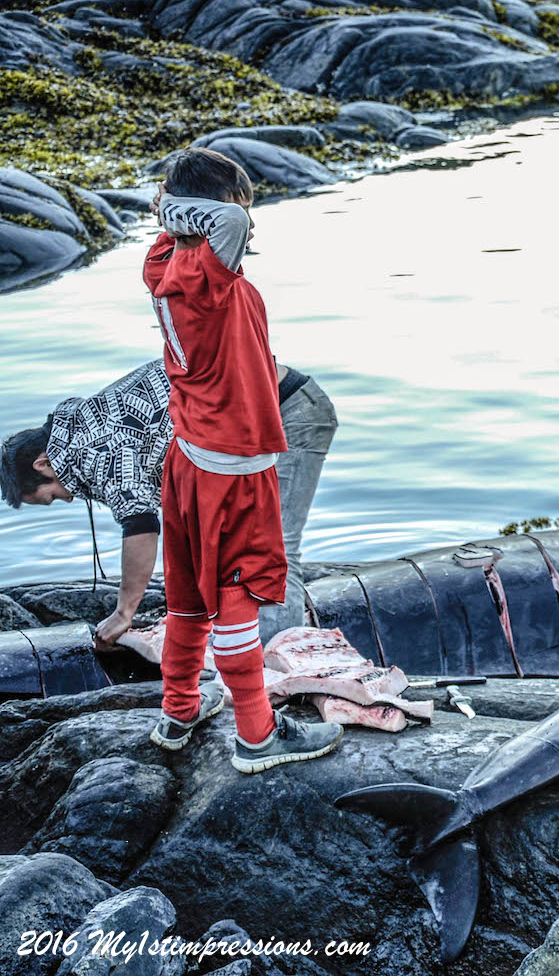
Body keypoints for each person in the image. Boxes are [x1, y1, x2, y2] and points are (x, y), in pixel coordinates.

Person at [140, 146, 341, 772]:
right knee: (237, 595)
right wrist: (195, 207)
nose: (249, 224)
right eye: (241, 205)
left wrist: (169, 214)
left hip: (190, 455)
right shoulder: (205, 271)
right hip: (232, 465)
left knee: (186, 593)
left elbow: (212, 227)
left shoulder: (164, 260)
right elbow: (230, 225)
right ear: (214, 207)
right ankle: (256, 734)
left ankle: (178, 712)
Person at [1, 360, 337, 647]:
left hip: (287, 412)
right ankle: (251, 643)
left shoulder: (94, 447)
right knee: (233, 546)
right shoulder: (80, 428)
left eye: (50, 497)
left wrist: (123, 614)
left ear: (43, 464)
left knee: (274, 546)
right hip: (246, 432)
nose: (65, 498)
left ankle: (283, 663)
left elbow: (142, 527)